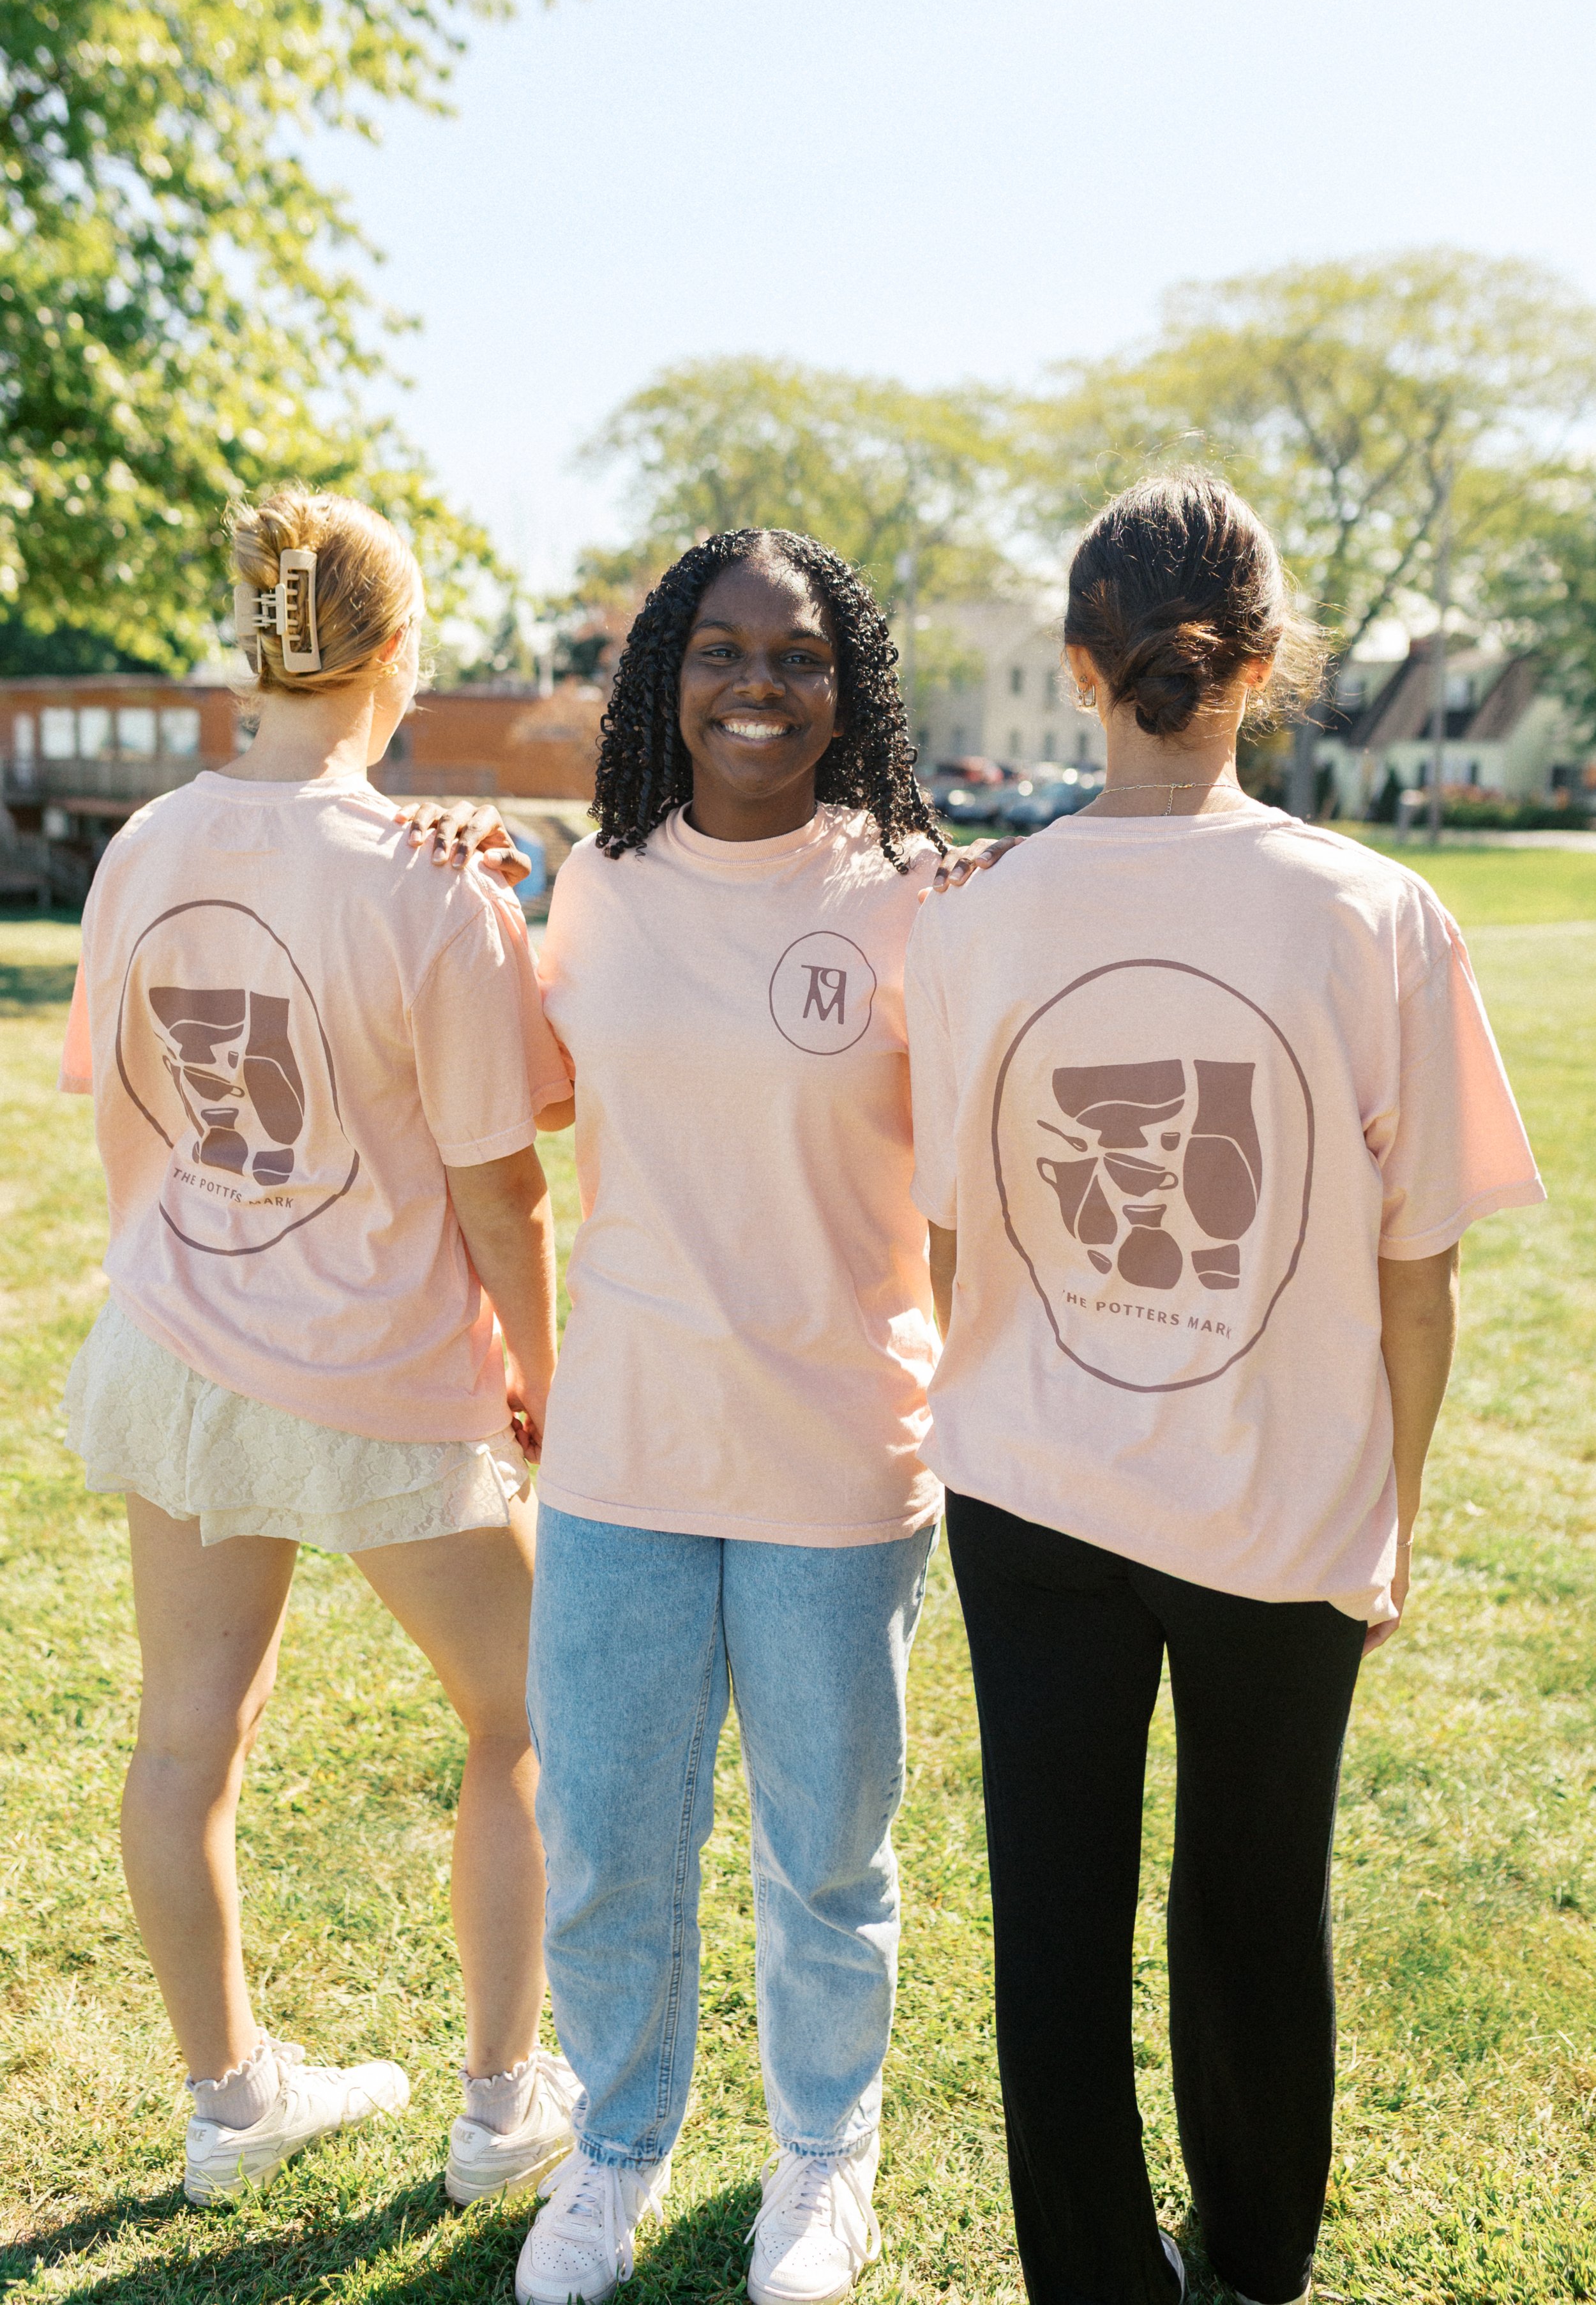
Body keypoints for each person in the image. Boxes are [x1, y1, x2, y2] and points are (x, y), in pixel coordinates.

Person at [903, 470, 1546, 2305]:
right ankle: (1254, 2268)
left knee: (1053, 1919)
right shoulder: (1377, 911)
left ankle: (1099, 2284)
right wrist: (1395, 1514)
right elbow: (1412, 1283)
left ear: (1075, 665)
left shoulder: (962, 920)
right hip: (1283, 1495)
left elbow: (957, 1238)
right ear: (1269, 664)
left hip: (1026, 1486)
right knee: (1256, 1903)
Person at [414, 527, 987, 2305]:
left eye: (799, 656)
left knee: (825, 1852)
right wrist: (460, 873)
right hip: (625, 1452)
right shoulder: (595, 884)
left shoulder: (916, 893)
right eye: (723, 652)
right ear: (667, 673)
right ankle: (617, 2146)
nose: (760, 687)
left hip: (839, 1450)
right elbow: (529, 1084)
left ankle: (825, 2155)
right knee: (605, 1835)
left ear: (851, 683)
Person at [59, 485, 582, 2206]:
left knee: (183, 1736)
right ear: (395, 653)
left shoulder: (142, 846)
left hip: (181, 1346)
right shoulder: (426, 885)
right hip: (368, 1369)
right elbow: (505, 1192)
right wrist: (546, 1382)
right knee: (522, 1717)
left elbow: (116, 1096)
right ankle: (505, 2107)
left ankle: (229, 2106)